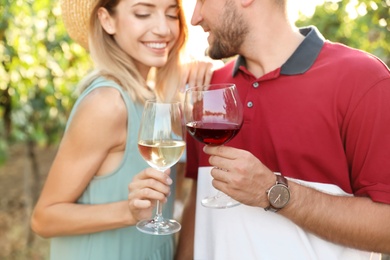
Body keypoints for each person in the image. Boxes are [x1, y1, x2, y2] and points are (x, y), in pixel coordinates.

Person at [176, 0, 390, 259]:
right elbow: (198, 207)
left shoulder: (362, 79)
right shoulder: (209, 88)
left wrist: (273, 192)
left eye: (201, 1)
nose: (195, 17)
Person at [30, 0, 216, 259]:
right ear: (107, 20)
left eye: (172, 15)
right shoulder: (107, 103)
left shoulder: (153, 99)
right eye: (143, 13)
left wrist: (197, 76)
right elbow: (43, 218)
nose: (163, 29)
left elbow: (176, 190)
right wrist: (128, 212)